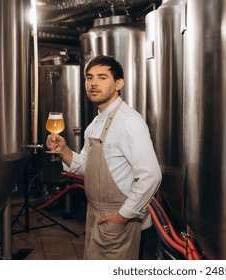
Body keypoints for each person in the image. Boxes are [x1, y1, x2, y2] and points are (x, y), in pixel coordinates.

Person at [46, 55, 162, 260]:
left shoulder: (129, 121)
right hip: (95, 215)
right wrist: (64, 150)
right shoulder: (95, 123)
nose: (93, 83)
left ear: (119, 83)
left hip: (120, 220)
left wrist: (123, 216)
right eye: (89, 78)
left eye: (102, 77)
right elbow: (87, 167)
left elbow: (151, 176)